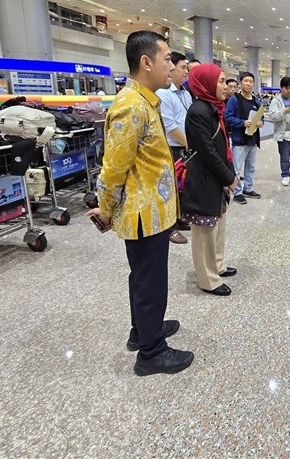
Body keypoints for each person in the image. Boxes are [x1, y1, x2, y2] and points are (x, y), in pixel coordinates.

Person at [88, 30, 193, 377]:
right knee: (150, 281)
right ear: (146, 62)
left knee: (145, 277)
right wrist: (104, 207)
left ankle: (144, 330)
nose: (172, 66)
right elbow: (114, 166)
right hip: (142, 214)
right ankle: (151, 353)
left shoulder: (146, 101)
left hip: (153, 210)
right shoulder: (130, 106)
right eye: (167, 60)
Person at [182, 64, 239, 297]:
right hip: (205, 177)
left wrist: (229, 173)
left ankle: (218, 265)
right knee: (205, 230)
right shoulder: (198, 111)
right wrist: (229, 177)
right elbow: (206, 151)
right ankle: (208, 279)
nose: (224, 87)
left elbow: (223, 145)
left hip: (217, 177)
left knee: (218, 224)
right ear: (205, 83)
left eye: (225, 81)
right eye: (220, 81)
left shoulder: (214, 107)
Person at [156, 52, 192, 245]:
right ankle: (169, 228)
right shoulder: (163, 93)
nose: (186, 71)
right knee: (170, 188)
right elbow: (170, 126)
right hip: (173, 147)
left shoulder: (185, 93)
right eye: (183, 67)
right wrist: (188, 143)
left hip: (185, 146)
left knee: (181, 187)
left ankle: (179, 219)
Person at [224, 72, 263, 205]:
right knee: (237, 167)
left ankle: (248, 188)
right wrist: (242, 123)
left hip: (253, 139)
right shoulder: (234, 100)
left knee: (250, 167)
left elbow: (260, 116)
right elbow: (227, 117)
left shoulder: (256, 101)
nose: (248, 84)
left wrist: (260, 122)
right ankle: (237, 192)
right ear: (241, 82)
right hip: (240, 140)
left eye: (251, 81)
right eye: (245, 81)